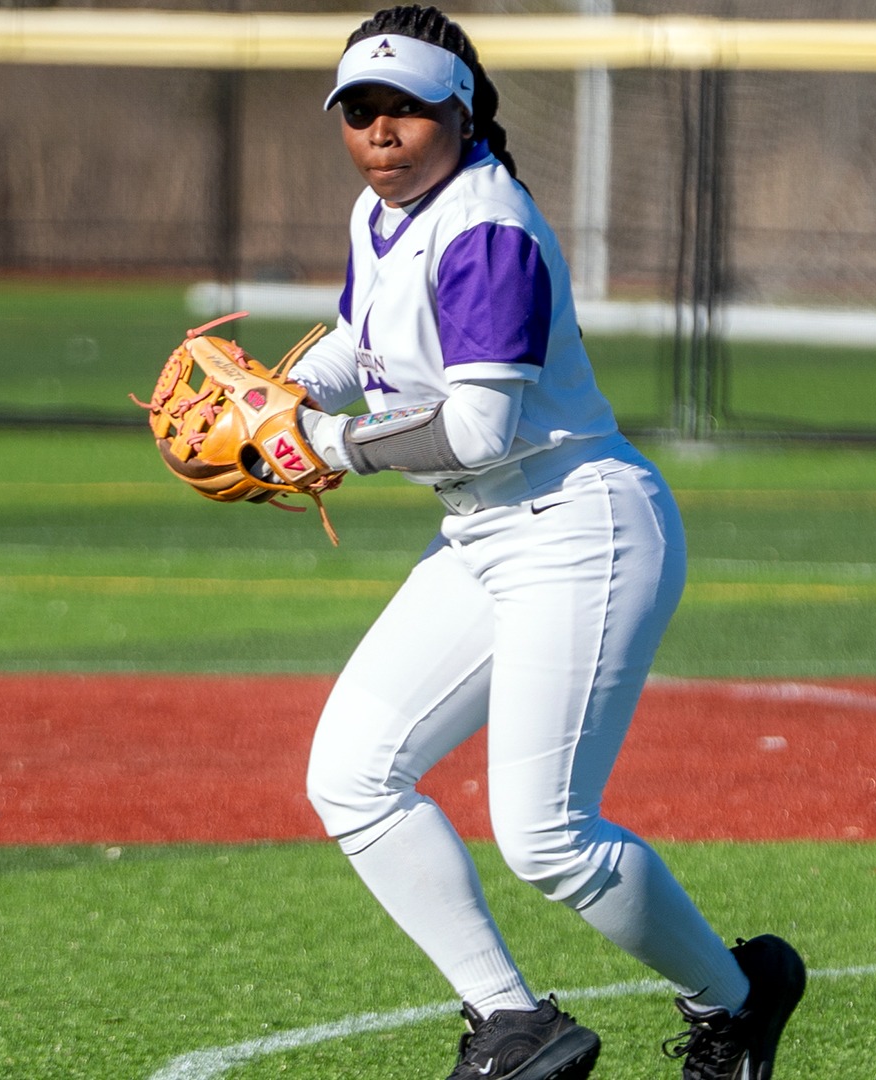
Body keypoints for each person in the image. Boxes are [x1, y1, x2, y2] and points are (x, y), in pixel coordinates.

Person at [287, 7, 806, 1078]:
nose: (381, 132)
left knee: (546, 836)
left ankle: (740, 1001)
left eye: (408, 109)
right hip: (484, 531)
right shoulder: (381, 213)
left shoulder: (488, 228)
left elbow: (479, 425)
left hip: (581, 528)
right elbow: (364, 339)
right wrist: (282, 393)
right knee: (352, 774)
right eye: (359, 111)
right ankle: (515, 1025)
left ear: (461, 111)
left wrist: (328, 442)